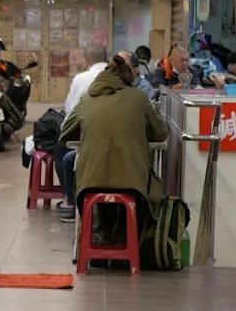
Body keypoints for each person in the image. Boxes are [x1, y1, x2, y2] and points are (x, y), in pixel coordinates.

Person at [60, 53, 169, 229]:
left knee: (101, 192)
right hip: (134, 185)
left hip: (89, 185)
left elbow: (64, 133)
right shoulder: (139, 98)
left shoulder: (87, 99)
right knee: (142, 194)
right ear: (129, 78)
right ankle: (129, 240)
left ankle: (102, 235)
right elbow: (161, 134)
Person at [51, 44, 108, 222]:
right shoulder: (117, 77)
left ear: (85, 61)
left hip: (87, 134)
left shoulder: (81, 79)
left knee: (61, 151)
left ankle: (70, 200)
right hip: (111, 138)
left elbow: (71, 108)